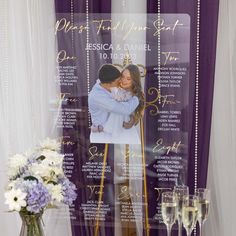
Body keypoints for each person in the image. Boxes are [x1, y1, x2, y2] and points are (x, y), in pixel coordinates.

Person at [88, 64, 139, 144]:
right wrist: (137, 97)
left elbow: (128, 109)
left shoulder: (107, 83)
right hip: (102, 138)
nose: (121, 81)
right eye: (118, 80)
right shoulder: (97, 96)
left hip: (118, 135)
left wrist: (133, 118)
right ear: (109, 84)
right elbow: (125, 109)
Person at [103, 64, 145, 144]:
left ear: (134, 80)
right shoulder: (115, 90)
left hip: (126, 131)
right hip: (112, 130)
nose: (124, 80)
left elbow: (139, 113)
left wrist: (133, 118)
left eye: (128, 79)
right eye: (122, 76)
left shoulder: (135, 96)